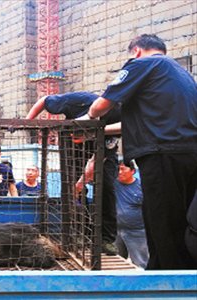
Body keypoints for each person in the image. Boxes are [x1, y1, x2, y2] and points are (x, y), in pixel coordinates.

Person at [85, 34, 197, 269]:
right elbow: (140, 122)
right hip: (188, 154)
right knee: (183, 221)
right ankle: (181, 276)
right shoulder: (182, 75)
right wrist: (104, 132)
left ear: (136, 51)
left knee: (162, 222)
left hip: (161, 154)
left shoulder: (143, 63)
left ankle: (168, 283)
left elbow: (100, 105)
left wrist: (90, 119)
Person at [27, 91, 120, 255]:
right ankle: (77, 234)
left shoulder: (115, 115)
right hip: (72, 148)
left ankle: (106, 239)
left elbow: (97, 161)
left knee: (107, 188)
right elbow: (43, 100)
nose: (77, 139)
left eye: (79, 137)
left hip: (103, 144)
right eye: (75, 136)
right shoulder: (74, 102)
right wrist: (27, 122)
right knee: (69, 187)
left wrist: (80, 183)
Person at [114, 162, 148, 269]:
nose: (120, 172)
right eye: (118, 169)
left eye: (123, 169)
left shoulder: (141, 187)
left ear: (132, 171)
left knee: (141, 262)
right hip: (116, 230)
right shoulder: (113, 184)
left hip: (137, 231)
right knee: (116, 261)